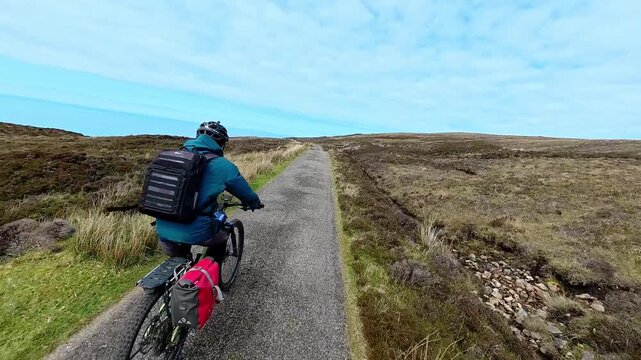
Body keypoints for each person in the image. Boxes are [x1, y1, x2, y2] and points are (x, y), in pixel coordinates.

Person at [155, 121, 262, 261]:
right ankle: (214, 275)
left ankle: (184, 267)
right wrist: (254, 203)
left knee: (181, 260)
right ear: (221, 144)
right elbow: (246, 194)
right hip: (199, 233)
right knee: (221, 233)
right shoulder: (223, 165)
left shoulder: (173, 157)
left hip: (162, 229)